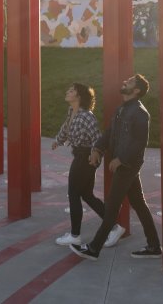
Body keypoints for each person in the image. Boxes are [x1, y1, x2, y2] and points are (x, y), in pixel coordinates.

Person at [70, 74, 162, 261]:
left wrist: (121, 159)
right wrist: (97, 148)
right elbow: (110, 132)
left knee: (111, 206)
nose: (124, 82)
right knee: (139, 205)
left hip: (128, 165)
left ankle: (94, 248)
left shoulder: (140, 113)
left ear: (136, 90)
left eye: (128, 82)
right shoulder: (122, 109)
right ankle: (154, 246)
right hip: (125, 165)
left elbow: (139, 142)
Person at [50, 82, 115, 247]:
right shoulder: (72, 111)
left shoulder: (87, 116)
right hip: (80, 155)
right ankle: (114, 226)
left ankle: (75, 235)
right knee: (87, 195)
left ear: (78, 96)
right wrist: (58, 141)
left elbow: (98, 138)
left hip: (86, 158)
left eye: (71, 91)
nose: (67, 92)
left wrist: (96, 155)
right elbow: (66, 128)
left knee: (73, 194)